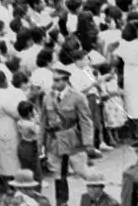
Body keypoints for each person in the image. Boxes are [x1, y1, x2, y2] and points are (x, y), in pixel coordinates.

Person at [41, 64, 95, 206]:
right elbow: (42, 121)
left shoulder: (78, 97)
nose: (55, 83)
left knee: (80, 169)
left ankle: (97, 194)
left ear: (66, 80)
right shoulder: (47, 98)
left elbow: (86, 121)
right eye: (54, 80)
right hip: (54, 140)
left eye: (58, 80)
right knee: (58, 174)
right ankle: (62, 202)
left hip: (72, 139)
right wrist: (40, 143)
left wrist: (88, 142)